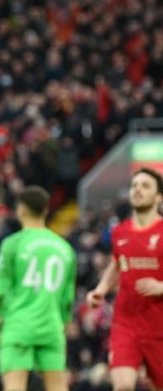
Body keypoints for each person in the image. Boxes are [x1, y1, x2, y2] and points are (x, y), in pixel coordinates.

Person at [0, 185, 76, 391]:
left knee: (14, 387)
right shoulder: (66, 248)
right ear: (46, 210)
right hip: (52, 325)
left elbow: (1, 291)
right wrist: (63, 323)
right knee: (57, 387)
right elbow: (68, 298)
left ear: (22, 210)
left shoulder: (12, 244)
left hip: (18, 325)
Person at [87, 167, 163, 391]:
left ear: (159, 196)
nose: (138, 189)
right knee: (122, 386)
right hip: (126, 324)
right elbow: (117, 263)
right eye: (134, 185)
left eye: (145, 185)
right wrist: (100, 289)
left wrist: (161, 286)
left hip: (159, 327)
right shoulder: (120, 232)